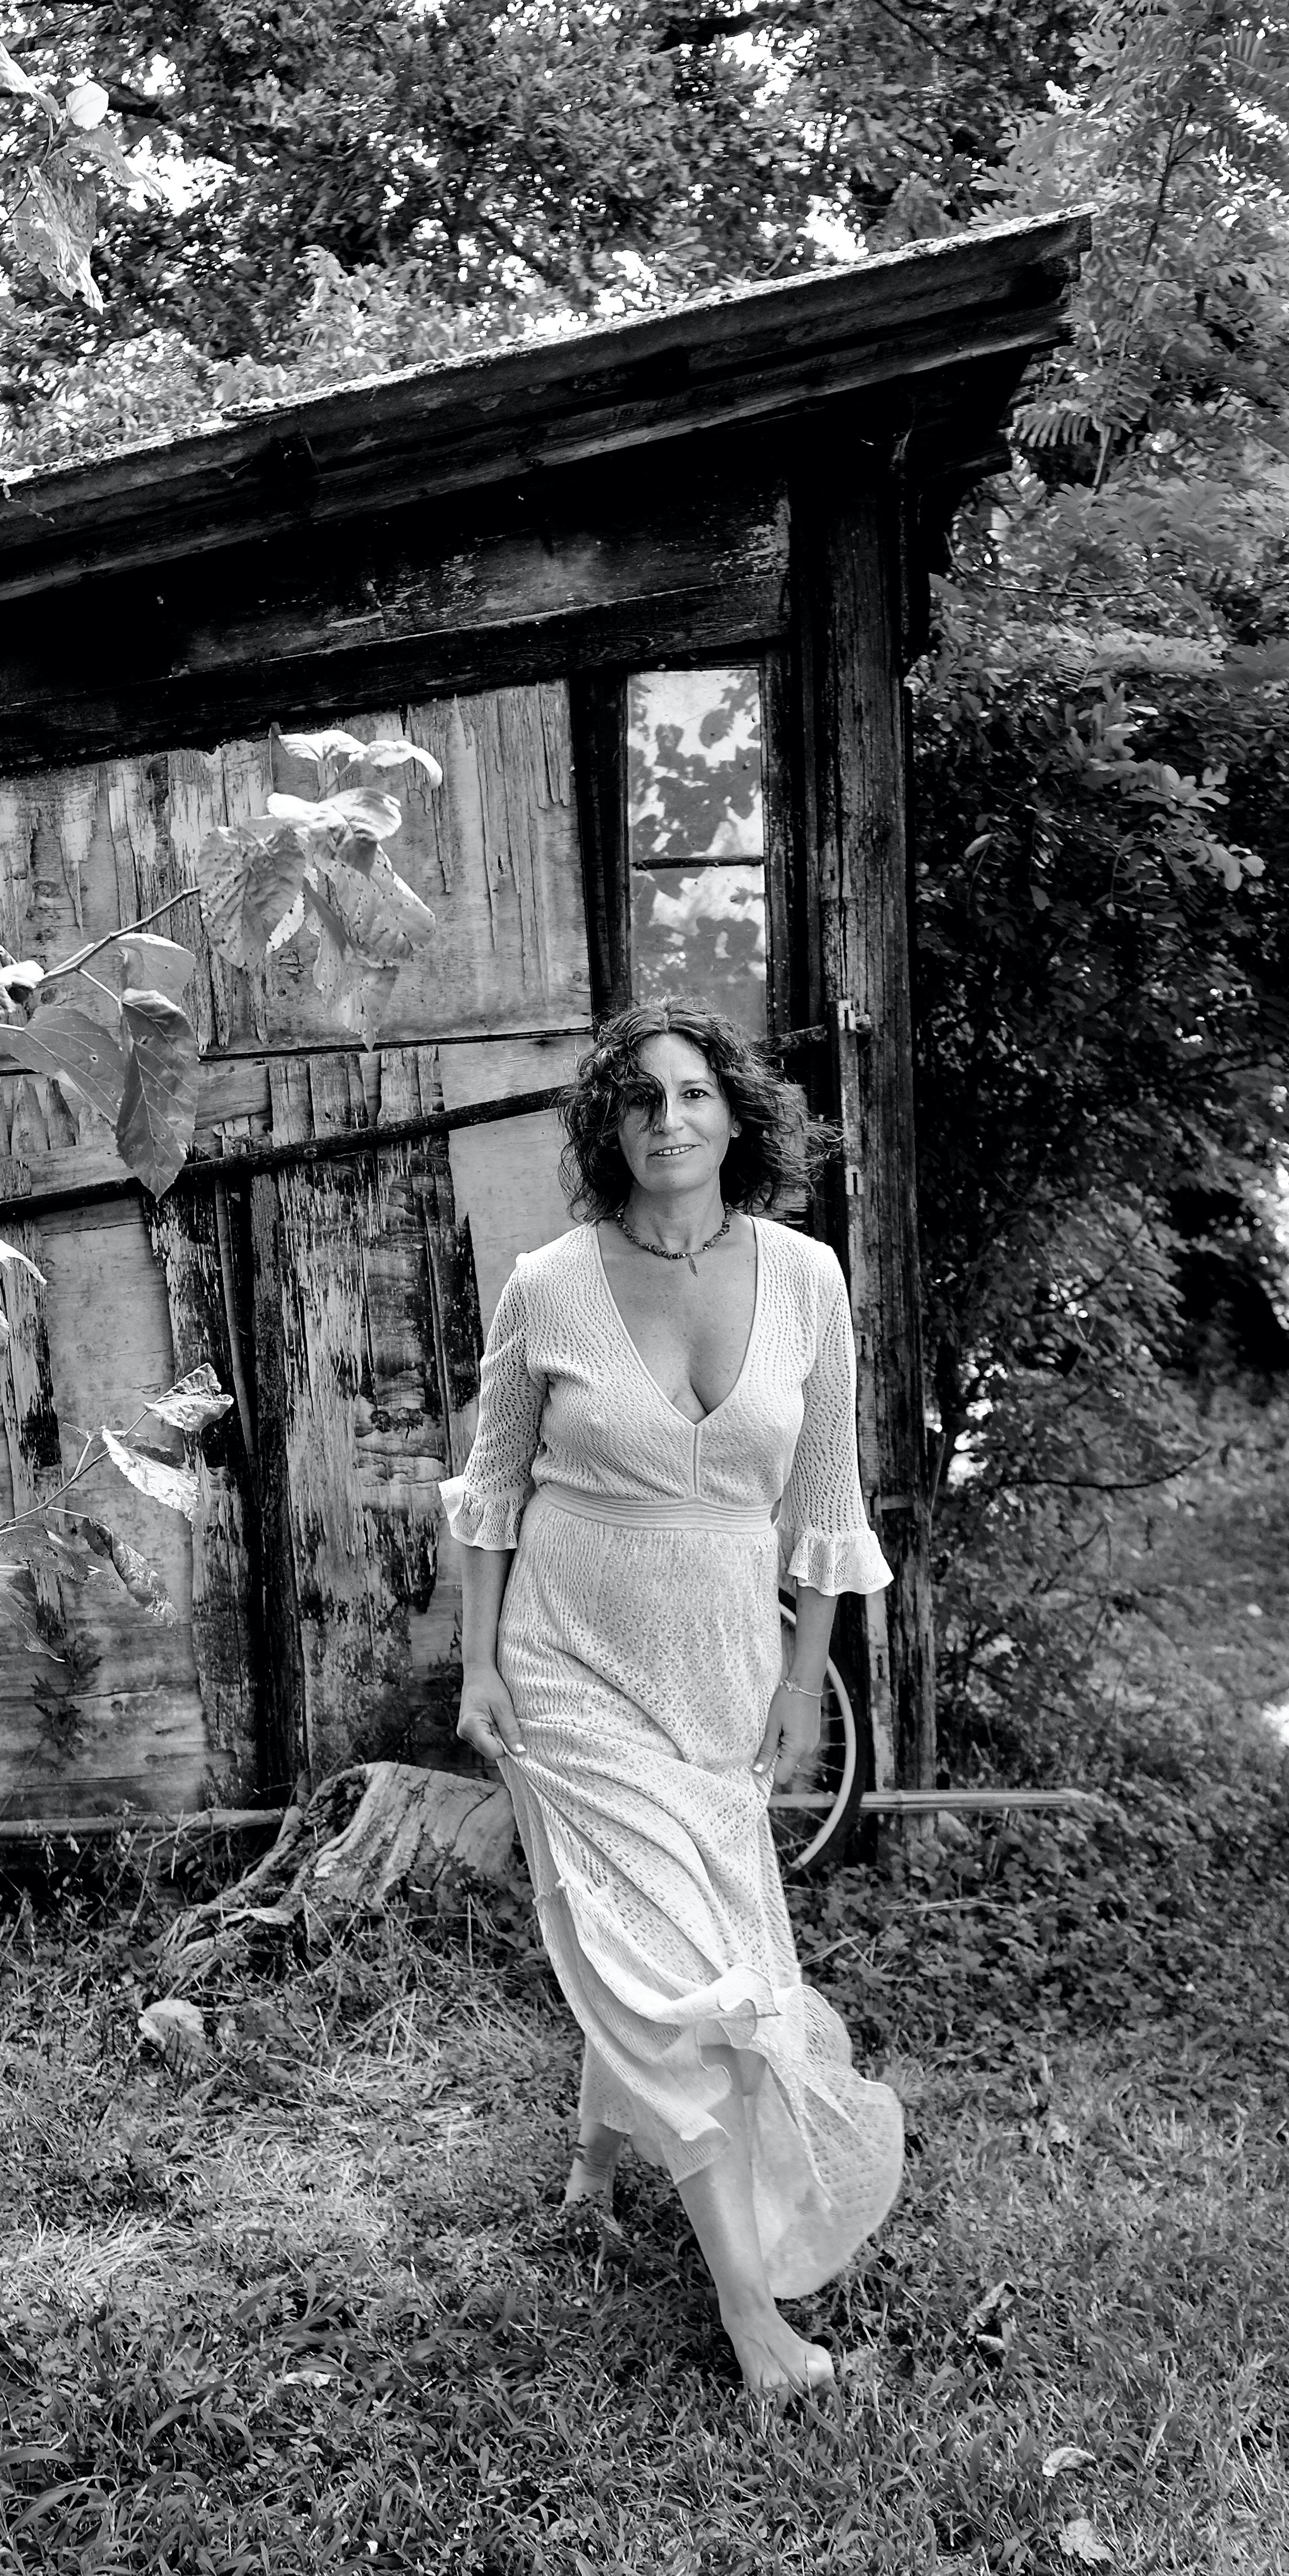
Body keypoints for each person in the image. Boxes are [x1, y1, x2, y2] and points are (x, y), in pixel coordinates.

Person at [440, 998, 903, 2407]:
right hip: (567, 1658)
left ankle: (594, 2164)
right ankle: (761, 2335)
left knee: (672, 1931)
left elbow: (825, 1498)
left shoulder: (807, 1276)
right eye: (638, 1099)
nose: (668, 1118)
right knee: (671, 1971)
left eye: (692, 1092)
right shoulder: (551, 1283)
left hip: (722, 1670)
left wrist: (803, 1675)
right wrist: (476, 1663)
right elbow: (493, 1487)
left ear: (735, 1114)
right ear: (609, 1127)